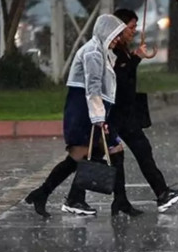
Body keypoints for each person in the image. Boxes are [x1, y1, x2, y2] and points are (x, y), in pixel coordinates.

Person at [24, 14, 127, 218]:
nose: (117, 39)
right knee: (79, 156)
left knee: (86, 155)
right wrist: (99, 119)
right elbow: (93, 88)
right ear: (105, 32)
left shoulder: (101, 52)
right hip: (83, 112)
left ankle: (63, 197)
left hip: (89, 111)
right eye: (115, 35)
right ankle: (52, 195)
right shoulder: (93, 53)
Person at [110, 8, 178, 213]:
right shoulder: (112, 50)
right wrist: (134, 59)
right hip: (115, 113)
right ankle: (72, 197)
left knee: (139, 151)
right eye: (131, 27)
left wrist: (136, 56)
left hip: (125, 114)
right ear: (119, 27)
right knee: (91, 157)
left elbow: (126, 77)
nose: (134, 31)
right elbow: (119, 80)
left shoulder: (123, 49)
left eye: (136, 27)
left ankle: (156, 193)